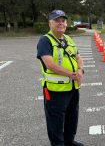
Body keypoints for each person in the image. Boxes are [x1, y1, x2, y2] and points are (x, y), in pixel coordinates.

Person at [37, 9, 84, 146]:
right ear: (50, 23)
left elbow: (78, 57)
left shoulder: (68, 39)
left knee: (72, 117)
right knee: (55, 122)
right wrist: (72, 74)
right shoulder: (45, 40)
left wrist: (81, 70)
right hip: (55, 90)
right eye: (57, 20)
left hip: (73, 87)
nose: (61, 23)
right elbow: (50, 64)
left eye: (63, 20)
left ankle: (69, 141)